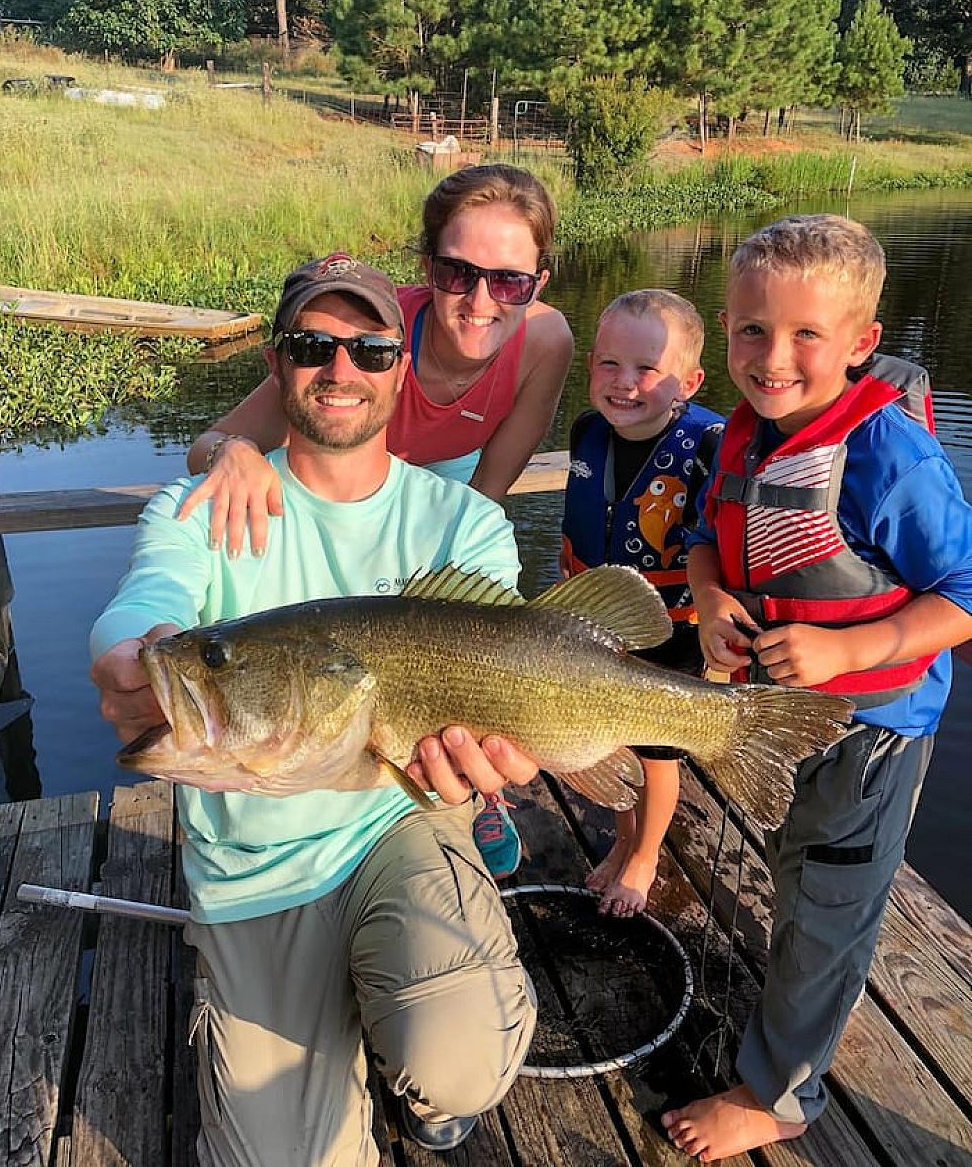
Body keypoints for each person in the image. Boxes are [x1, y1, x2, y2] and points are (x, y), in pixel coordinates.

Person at [90, 256, 540, 1167]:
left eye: (371, 348)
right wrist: (139, 652)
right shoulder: (201, 504)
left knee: (458, 1057)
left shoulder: (462, 523)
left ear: (399, 368)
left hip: (401, 822)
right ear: (277, 362)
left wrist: (510, 755)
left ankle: (420, 1072)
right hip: (253, 869)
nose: (342, 370)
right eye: (312, 346)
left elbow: (515, 673)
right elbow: (146, 603)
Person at [662, 215, 972, 1161]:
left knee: (832, 905)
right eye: (753, 329)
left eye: (806, 334)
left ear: (862, 342)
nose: (774, 356)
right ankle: (788, 1009)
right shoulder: (743, 433)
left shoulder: (891, 455)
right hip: (775, 713)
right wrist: (711, 597)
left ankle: (782, 1096)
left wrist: (855, 648)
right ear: (727, 328)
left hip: (872, 729)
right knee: (796, 870)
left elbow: (961, 595)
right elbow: (712, 536)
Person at [180, 164, 574, 879]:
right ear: (427, 269)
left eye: (510, 281)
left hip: (447, 506)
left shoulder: (545, 343)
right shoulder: (364, 342)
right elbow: (208, 442)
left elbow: (488, 497)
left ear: (538, 284)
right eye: (458, 272)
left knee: (453, 660)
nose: (482, 299)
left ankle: (470, 771)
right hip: (346, 489)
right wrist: (236, 451)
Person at [560, 290, 724, 916]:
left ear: (690, 382)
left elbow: (724, 543)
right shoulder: (586, 431)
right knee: (607, 741)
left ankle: (647, 854)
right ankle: (624, 837)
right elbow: (576, 530)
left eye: (647, 370)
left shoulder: (709, 445)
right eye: (609, 364)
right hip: (593, 622)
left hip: (671, 625)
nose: (624, 384)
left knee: (657, 751)